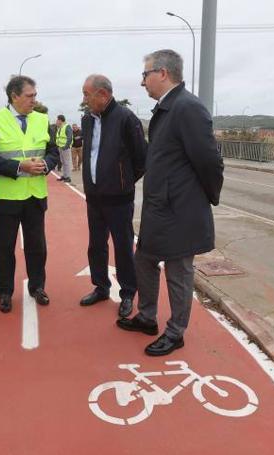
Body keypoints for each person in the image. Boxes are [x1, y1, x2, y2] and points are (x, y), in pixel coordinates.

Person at [117, 49, 224, 356]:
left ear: (162, 73)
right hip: (159, 208)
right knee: (145, 260)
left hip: (179, 210)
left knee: (178, 271)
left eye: (145, 74)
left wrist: (204, 197)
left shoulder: (187, 108)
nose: (142, 82)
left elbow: (209, 161)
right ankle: (148, 317)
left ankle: (176, 332)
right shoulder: (167, 108)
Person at [0, 75, 59, 313]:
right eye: (29, 96)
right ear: (14, 96)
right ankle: (4, 292)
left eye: (35, 95)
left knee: (37, 246)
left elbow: (52, 151)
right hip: (7, 198)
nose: (34, 100)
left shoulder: (43, 119)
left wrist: (46, 164)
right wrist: (19, 167)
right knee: (5, 248)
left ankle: (38, 287)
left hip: (35, 195)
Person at [79, 74, 147, 319]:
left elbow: (141, 160)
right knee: (96, 245)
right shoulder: (87, 120)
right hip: (94, 196)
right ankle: (101, 287)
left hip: (119, 198)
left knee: (122, 246)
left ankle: (128, 293)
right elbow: (90, 154)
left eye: (87, 94)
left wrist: (123, 183)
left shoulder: (126, 119)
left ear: (103, 94)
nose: (84, 99)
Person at [55, 114, 73, 183]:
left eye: (57, 120)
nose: (56, 121)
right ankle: (64, 175)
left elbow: (70, 137)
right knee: (63, 162)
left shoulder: (67, 127)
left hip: (65, 148)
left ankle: (68, 177)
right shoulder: (60, 127)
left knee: (66, 163)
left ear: (60, 120)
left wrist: (66, 146)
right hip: (60, 147)